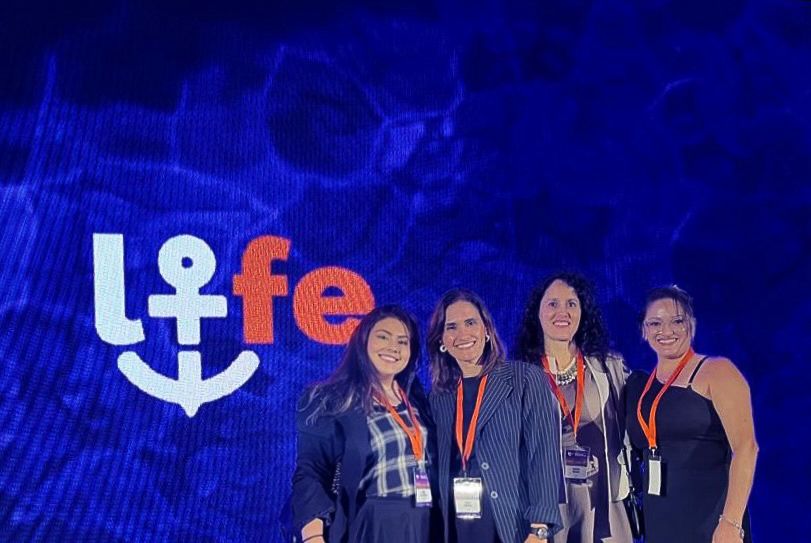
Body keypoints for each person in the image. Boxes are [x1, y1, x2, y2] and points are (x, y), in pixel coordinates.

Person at [291, 305, 438, 543]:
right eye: (383, 337)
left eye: (402, 341)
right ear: (363, 341)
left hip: (424, 523)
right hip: (369, 524)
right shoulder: (330, 400)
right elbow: (311, 471)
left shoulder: (419, 401)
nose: (393, 347)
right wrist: (313, 536)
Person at [426, 288, 563, 543]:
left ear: (487, 331)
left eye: (471, 323)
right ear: (441, 340)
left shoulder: (524, 379)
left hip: (513, 527)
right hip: (457, 527)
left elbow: (543, 455)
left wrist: (539, 529)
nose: (463, 334)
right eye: (452, 327)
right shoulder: (438, 397)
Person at [625, 286, 758, 543]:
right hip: (661, 523)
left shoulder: (717, 372)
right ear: (644, 330)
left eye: (677, 321)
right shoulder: (638, 386)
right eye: (655, 323)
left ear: (691, 325)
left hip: (712, 522)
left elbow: (746, 448)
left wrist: (731, 522)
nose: (666, 331)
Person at [515, 273, 634, 543]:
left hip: (604, 507)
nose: (563, 312)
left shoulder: (609, 367)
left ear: (583, 312)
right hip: (546, 514)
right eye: (553, 304)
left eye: (571, 303)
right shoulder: (518, 377)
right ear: (537, 312)